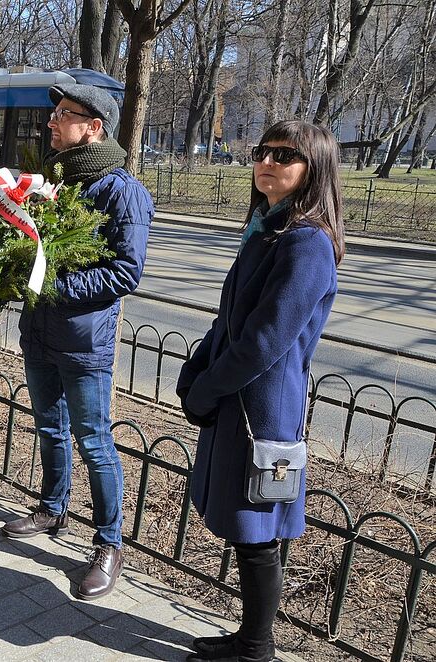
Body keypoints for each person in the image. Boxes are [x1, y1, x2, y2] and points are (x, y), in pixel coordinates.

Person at [176, 120, 344, 662]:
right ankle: (252, 642)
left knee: (258, 534)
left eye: (285, 155)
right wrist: (195, 370)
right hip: (237, 397)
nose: (268, 161)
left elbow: (263, 343)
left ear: (313, 169)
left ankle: (256, 649)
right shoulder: (266, 232)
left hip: (261, 410)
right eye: (262, 151)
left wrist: (207, 389)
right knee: (248, 531)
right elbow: (228, 322)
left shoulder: (307, 245)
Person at [0, 80, 154, 603]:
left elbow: (125, 272)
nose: (52, 122)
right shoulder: (51, 183)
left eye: (64, 114)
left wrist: (55, 285)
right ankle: (52, 507)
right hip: (40, 331)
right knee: (48, 424)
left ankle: (110, 544)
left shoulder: (121, 190)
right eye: (55, 113)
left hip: (84, 339)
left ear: (94, 126)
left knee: (94, 440)